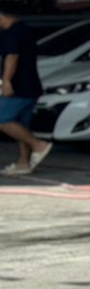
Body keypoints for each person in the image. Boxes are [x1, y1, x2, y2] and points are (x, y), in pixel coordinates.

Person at [0, 9, 51, 175]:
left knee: (2, 119)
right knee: (22, 126)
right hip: (31, 86)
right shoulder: (25, 30)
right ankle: (23, 163)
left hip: (18, 86)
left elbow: (12, 56)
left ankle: (38, 145)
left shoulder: (12, 33)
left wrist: (6, 81)